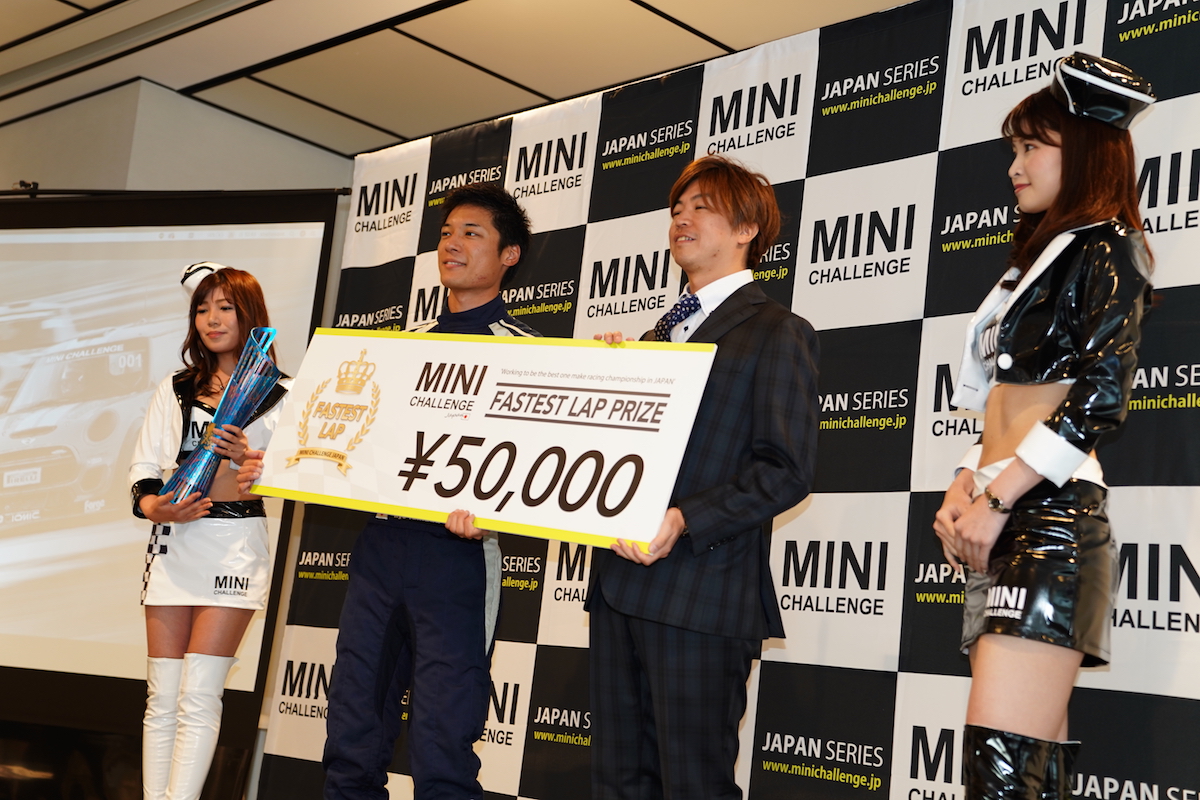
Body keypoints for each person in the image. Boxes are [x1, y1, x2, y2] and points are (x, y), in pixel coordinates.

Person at [239, 183, 538, 800]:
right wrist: (282, 463)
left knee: (442, 749)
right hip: (379, 550)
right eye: (446, 233)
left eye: (472, 233)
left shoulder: (529, 354)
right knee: (352, 738)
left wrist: (494, 512)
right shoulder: (395, 348)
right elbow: (348, 444)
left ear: (509, 255)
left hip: (457, 560)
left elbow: (537, 473)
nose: (452, 244)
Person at [934, 53, 1155, 799]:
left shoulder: (1108, 245)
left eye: (1032, 147)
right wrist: (969, 481)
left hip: (1048, 519)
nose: (1014, 167)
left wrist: (998, 498)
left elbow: (1100, 395)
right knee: (1027, 780)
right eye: (1014, 148)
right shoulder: (1042, 257)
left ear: (1084, 150)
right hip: (1011, 512)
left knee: (1000, 778)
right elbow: (1011, 398)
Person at [588, 154, 820, 800]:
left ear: (746, 229)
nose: (681, 219)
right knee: (615, 784)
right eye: (676, 209)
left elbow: (786, 470)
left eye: (701, 207)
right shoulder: (653, 339)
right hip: (617, 588)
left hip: (703, 596)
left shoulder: (778, 331)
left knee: (694, 786)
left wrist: (685, 518)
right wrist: (605, 386)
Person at [130, 263, 289, 800]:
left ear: (251, 315)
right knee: (162, 696)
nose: (212, 319)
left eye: (225, 308)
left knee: (199, 694)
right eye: (202, 309)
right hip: (175, 544)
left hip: (235, 548)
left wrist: (252, 460)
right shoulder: (176, 388)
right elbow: (144, 466)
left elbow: (297, 474)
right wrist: (156, 507)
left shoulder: (282, 393)